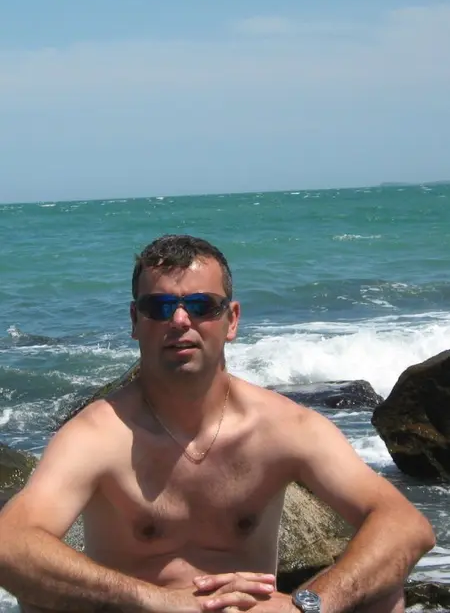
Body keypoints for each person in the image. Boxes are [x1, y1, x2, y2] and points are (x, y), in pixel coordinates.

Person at [0, 234, 435, 613]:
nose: (180, 320)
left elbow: (404, 524)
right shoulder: (98, 435)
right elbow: (10, 543)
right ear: (135, 321)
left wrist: (307, 604)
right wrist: (160, 602)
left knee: (383, 593)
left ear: (232, 320)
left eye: (201, 305)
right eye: (159, 307)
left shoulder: (283, 427)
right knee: (41, 597)